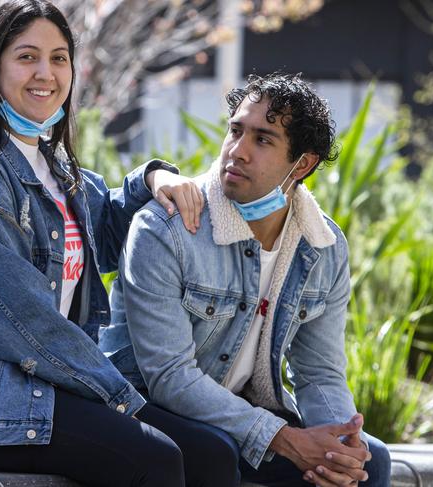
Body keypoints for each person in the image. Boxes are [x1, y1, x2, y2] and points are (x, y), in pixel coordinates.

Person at [0, 1, 209, 486]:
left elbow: (109, 223)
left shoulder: (59, 170)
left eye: (59, 58)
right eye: (27, 57)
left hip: (37, 391)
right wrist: (119, 397)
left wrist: (155, 177)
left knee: (213, 454)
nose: (46, 73)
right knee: (156, 460)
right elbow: (23, 319)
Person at [100, 73, 392, 487]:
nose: (237, 151)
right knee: (214, 452)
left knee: (369, 461)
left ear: (303, 164)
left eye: (263, 139)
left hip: (238, 412)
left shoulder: (322, 246)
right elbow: (169, 376)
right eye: (235, 131)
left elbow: (319, 373)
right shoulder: (166, 228)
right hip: (144, 405)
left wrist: (339, 443)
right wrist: (283, 437)